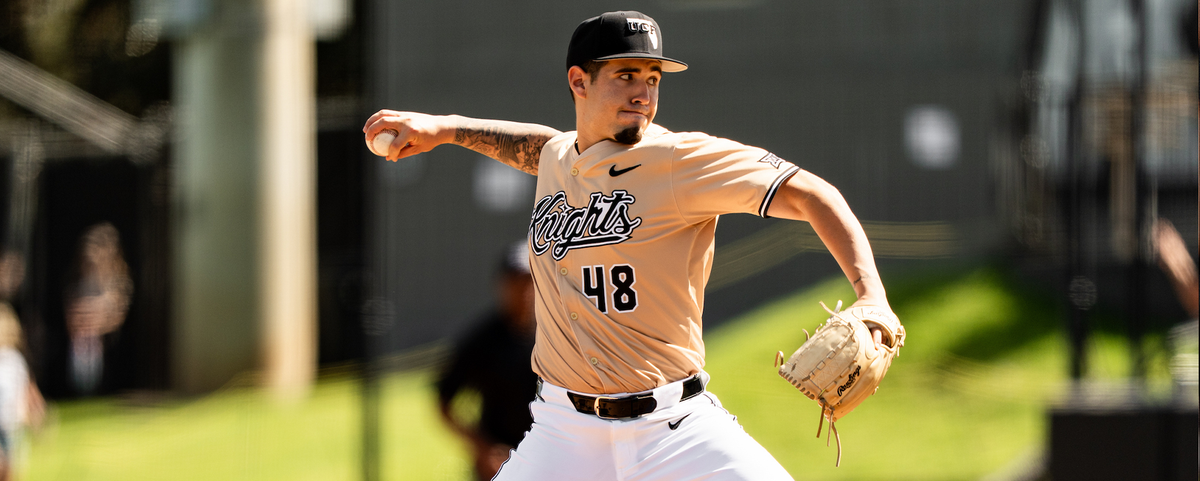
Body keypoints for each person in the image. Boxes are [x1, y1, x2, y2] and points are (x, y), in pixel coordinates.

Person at [364, 11, 897, 479]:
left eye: (652, 78)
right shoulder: (559, 159)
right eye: (625, 76)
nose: (643, 92)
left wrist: (871, 294)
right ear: (579, 81)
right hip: (563, 433)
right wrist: (446, 128)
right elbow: (537, 145)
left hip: (675, 427)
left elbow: (813, 194)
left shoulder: (680, 161)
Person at [436, 242, 538, 480]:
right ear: (501, 285)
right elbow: (443, 403)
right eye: (516, 281)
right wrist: (484, 449)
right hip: (502, 462)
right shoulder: (483, 340)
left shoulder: (556, 335)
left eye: (530, 281)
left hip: (549, 456)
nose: (524, 290)